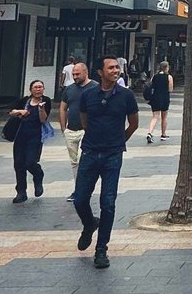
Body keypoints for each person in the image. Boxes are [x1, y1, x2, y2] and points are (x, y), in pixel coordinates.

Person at [74, 56, 138, 268]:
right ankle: (89, 223)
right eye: (110, 68)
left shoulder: (126, 95)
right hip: (90, 152)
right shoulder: (88, 95)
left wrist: (118, 141)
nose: (115, 70)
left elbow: (134, 123)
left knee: (108, 203)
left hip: (113, 155)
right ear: (100, 72)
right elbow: (84, 121)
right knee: (80, 199)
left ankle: (101, 249)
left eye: (117, 67)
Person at [8, 80, 51, 204]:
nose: (38, 89)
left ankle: (38, 175)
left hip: (35, 136)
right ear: (31, 89)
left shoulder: (46, 101)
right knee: (18, 164)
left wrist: (41, 109)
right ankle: (21, 192)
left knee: (30, 162)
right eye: (36, 87)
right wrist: (19, 112)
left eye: (40, 87)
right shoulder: (24, 101)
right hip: (20, 135)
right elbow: (11, 111)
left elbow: (44, 120)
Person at [59, 60, 93, 202]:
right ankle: (78, 190)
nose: (74, 76)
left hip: (86, 131)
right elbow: (63, 108)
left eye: (77, 74)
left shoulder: (94, 88)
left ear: (85, 72)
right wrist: (63, 127)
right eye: (73, 74)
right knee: (74, 162)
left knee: (82, 160)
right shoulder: (70, 89)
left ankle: (82, 190)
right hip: (71, 131)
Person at [144, 61, 172, 143]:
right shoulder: (169, 77)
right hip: (165, 98)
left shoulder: (154, 76)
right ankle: (163, 134)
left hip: (155, 98)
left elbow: (151, 86)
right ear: (166, 67)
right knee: (164, 117)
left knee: (155, 117)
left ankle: (150, 133)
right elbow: (170, 89)